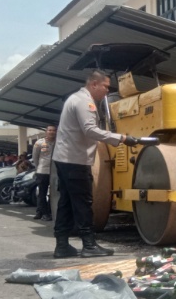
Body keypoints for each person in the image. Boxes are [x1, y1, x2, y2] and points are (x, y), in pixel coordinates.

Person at [53, 69, 139, 259]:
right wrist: (122, 138)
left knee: (66, 203)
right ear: (94, 84)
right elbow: (91, 130)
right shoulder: (85, 102)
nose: (107, 91)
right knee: (84, 202)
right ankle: (89, 245)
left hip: (64, 158)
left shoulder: (74, 98)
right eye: (105, 86)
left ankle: (62, 245)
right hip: (75, 160)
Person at [31, 124, 57, 221]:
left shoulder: (58, 143)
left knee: (53, 193)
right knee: (42, 193)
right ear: (46, 132)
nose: (51, 132)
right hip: (43, 171)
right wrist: (38, 168)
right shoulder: (39, 143)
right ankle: (44, 213)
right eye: (49, 130)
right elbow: (35, 157)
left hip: (54, 172)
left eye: (53, 130)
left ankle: (45, 211)